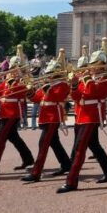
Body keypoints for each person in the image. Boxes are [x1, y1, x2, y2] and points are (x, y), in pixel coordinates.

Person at [57, 41, 107, 193]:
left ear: (102, 65)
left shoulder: (106, 78)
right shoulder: (88, 77)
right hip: (82, 115)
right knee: (94, 146)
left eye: (95, 64)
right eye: (92, 64)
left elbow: (92, 92)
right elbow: (77, 96)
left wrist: (86, 79)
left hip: (92, 116)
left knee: (80, 149)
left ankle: (71, 181)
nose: (91, 67)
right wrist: (73, 85)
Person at [0, 47, 35, 177]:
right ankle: (28, 159)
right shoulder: (8, 81)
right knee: (14, 138)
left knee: (0, 138)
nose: (12, 70)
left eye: (16, 67)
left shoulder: (21, 82)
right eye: (12, 67)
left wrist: (21, 77)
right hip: (4, 113)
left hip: (12, 113)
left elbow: (22, 92)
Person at [22, 54, 72, 182]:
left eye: (50, 73)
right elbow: (37, 98)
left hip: (53, 117)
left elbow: (57, 97)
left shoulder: (63, 85)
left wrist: (47, 88)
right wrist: (30, 92)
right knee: (54, 143)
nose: (47, 76)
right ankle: (66, 164)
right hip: (45, 117)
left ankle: (36, 173)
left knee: (43, 144)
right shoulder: (48, 85)